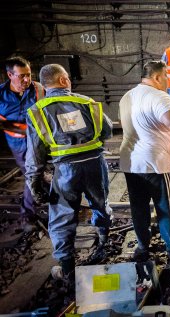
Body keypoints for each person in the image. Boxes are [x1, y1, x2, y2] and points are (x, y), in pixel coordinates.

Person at [25, 64, 113, 280]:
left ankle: (67, 269)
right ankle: (102, 243)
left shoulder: (37, 111)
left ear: (45, 85)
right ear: (63, 81)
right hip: (94, 164)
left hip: (65, 170)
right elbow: (108, 130)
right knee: (100, 204)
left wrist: (34, 183)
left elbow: (35, 154)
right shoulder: (86, 102)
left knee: (62, 217)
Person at [119, 60, 170, 267]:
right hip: (156, 163)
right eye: (166, 76)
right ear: (156, 77)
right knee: (167, 209)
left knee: (139, 208)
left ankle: (142, 248)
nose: (168, 81)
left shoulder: (127, 96)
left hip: (131, 163)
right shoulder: (158, 95)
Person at [0, 56, 44, 225]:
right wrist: (23, 129)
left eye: (29, 75)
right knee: (31, 175)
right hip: (18, 144)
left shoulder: (38, 89)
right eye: (21, 76)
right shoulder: (1, 94)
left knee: (34, 174)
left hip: (39, 141)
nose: (26, 79)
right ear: (10, 75)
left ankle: (29, 212)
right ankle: (28, 214)